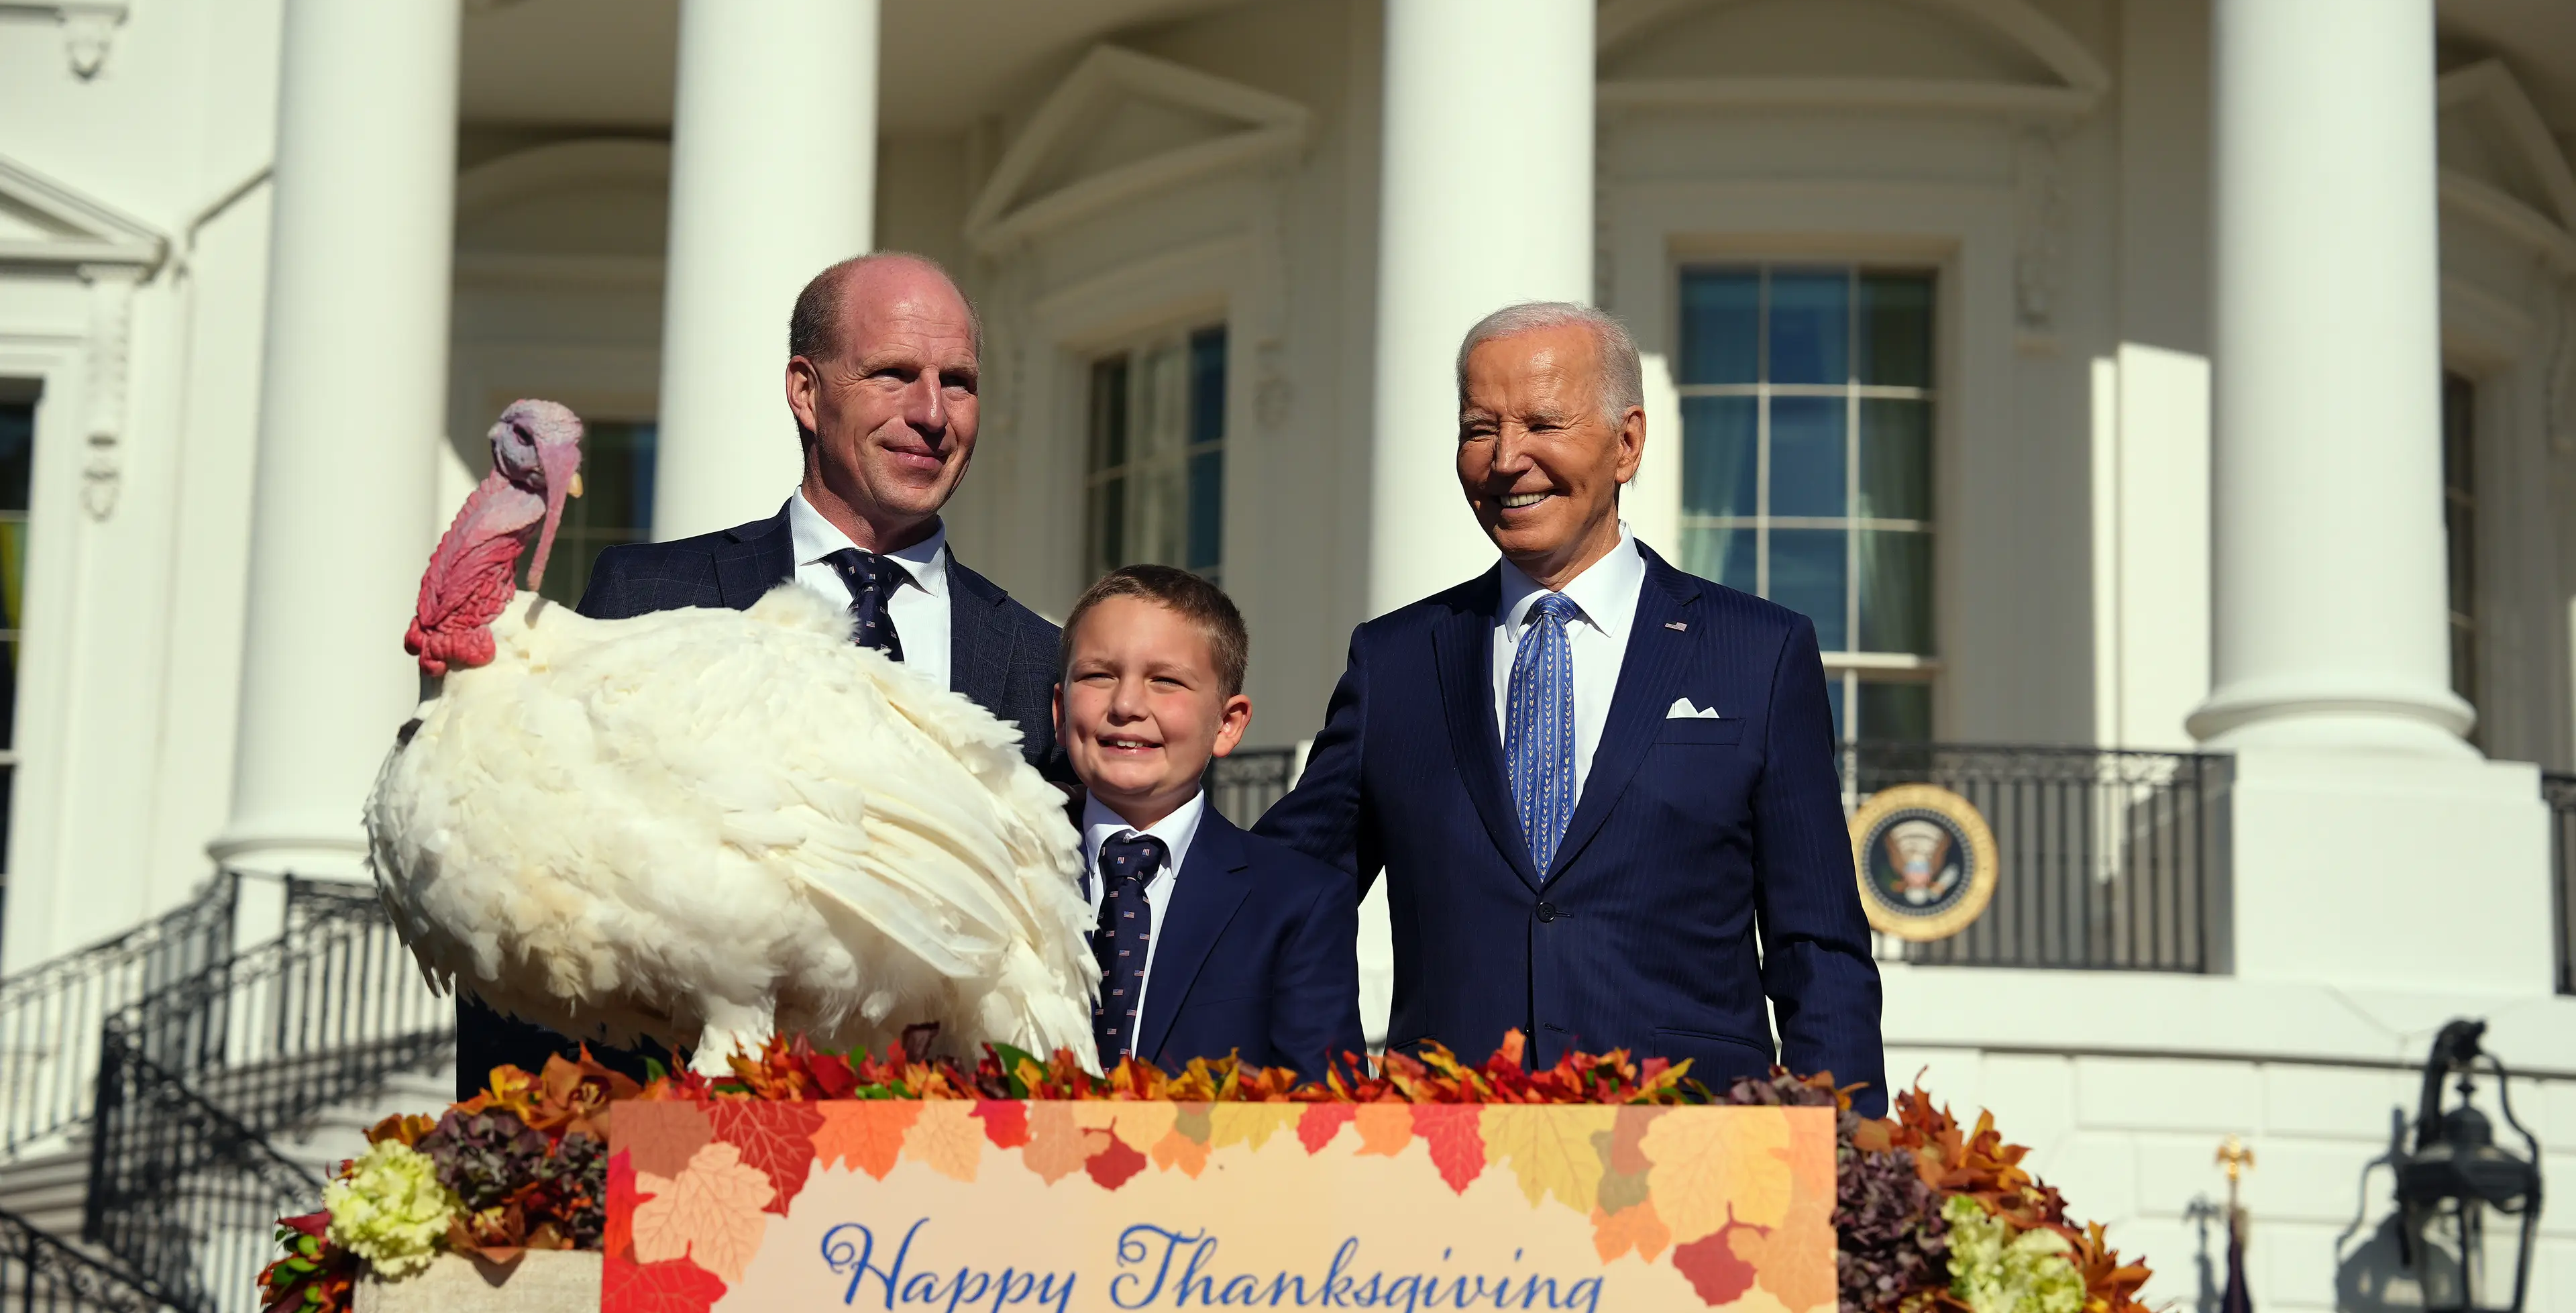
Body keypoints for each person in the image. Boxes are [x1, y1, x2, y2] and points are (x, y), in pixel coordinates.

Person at [453, 253, 1065, 1098]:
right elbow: (525, 885)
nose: (931, 413)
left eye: (957, 382)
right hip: (676, 1140)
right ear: (806, 392)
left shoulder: (1038, 660)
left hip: (945, 1158)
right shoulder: (646, 597)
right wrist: (521, 1139)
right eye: (893, 374)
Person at [1255, 302, 1887, 1113]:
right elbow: (1276, 899)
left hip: (1693, 1147)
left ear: (1627, 443)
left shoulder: (1759, 653)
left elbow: (1819, 949)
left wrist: (1843, 1157)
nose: (1505, 459)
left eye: (1542, 424)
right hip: (1447, 1152)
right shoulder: (1397, 662)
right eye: (1479, 429)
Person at [1057, 566, 1362, 1079]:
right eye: (1098, 675)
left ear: (1227, 724)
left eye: (1166, 681)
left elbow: (1321, 1110)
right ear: (1060, 712)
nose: (1126, 705)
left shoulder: (1298, 902)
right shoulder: (999, 871)